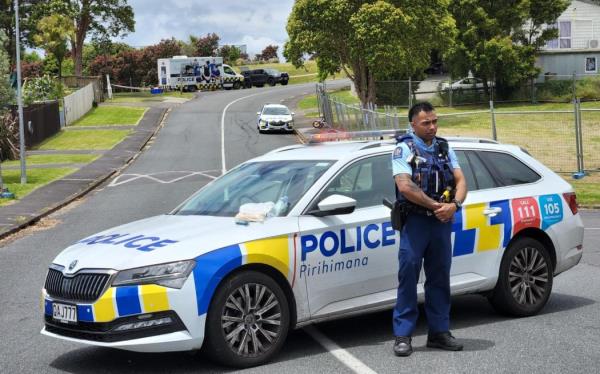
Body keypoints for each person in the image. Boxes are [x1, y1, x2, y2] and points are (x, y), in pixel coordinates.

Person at [391, 101, 467, 357]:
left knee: (440, 278)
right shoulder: (403, 149)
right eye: (426, 123)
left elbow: (461, 180)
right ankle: (403, 335)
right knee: (408, 277)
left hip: (442, 223)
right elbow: (405, 186)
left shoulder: (444, 148)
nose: (432, 126)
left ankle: (439, 332)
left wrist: (454, 205)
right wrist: (437, 205)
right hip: (416, 223)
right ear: (413, 124)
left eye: (435, 121)